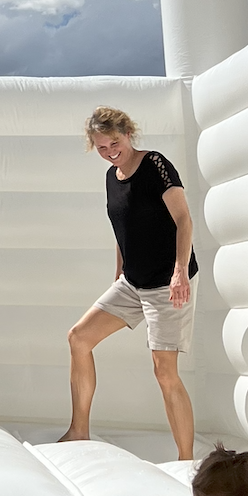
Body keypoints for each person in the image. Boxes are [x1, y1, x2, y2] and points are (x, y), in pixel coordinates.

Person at [59, 106, 198, 457]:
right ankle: (78, 432)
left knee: (164, 372)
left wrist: (180, 269)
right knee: (79, 338)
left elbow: (183, 219)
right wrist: (119, 272)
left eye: (114, 142)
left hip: (169, 283)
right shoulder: (111, 176)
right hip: (132, 282)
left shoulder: (155, 164)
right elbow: (122, 228)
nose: (110, 151)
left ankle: (186, 461)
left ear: (128, 133)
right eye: (102, 147)